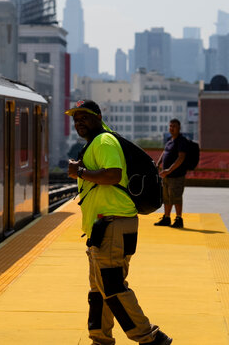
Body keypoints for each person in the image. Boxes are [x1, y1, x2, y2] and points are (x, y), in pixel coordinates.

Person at [66, 100, 173, 345]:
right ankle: (100, 339)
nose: (79, 121)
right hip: (102, 227)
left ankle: (150, 337)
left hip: (113, 224)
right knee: (99, 290)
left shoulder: (104, 141)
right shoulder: (95, 144)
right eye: (75, 118)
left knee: (112, 286)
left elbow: (113, 175)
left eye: (84, 116)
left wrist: (79, 173)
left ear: (98, 117)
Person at [154, 119, 188, 228]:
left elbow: (181, 158)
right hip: (166, 175)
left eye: (174, 126)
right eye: (170, 126)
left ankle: (179, 219)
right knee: (166, 197)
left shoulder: (181, 141)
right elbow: (165, 152)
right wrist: (158, 163)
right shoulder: (169, 140)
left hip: (176, 175)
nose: (171, 128)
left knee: (176, 197)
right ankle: (167, 217)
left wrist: (169, 170)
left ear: (179, 128)